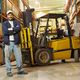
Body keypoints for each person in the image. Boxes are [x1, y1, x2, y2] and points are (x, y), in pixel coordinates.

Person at [2, 10, 27, 77]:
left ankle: (20, 70)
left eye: (11, 14)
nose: (10, 16)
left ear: (13, 15)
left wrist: (10, 29)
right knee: (7, 57)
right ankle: (9, 71)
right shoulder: (4, 23)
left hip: (16, 42)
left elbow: (19, 28)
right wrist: (14, 30)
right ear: (7, 16)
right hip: (8, 43)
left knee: (19, 57)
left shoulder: (16, 22)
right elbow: (5, 32)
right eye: (9, 15)